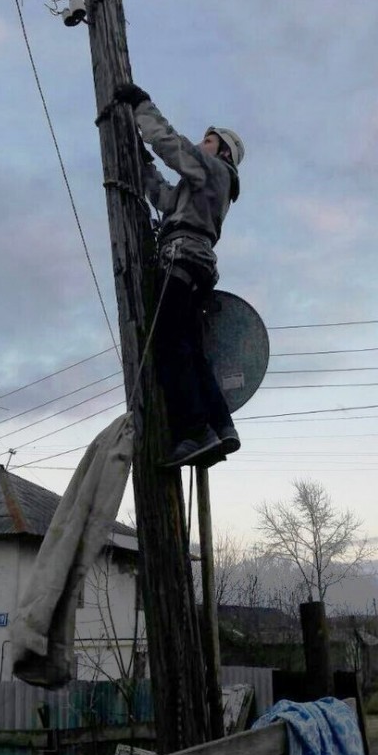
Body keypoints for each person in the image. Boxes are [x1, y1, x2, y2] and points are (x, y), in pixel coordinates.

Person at [113, 82, 245, 469]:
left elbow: (171, 144)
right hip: (195, 265)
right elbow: (164, 198)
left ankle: (193, 431)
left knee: (169, 346)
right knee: (190, 350)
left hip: (182, 259)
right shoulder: (203, 188)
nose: (201, 144)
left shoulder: (214, 170)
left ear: (223, 151)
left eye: (208, 140)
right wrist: (141, 163)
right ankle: (220, 426)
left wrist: (142, 106)